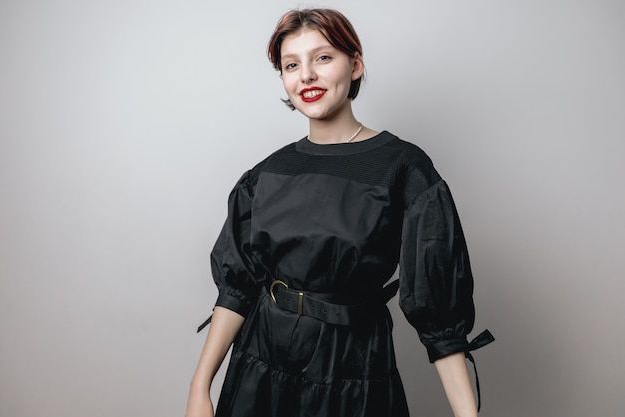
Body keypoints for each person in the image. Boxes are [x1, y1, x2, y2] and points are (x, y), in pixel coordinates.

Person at [185, 8, 493, 417]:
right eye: (291, 65)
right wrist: (199, 386)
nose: (306, 76)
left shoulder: (403, 168)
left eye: (323, 57)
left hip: (352, 373)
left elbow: (438, 309)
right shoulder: (266, 173)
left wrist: (467, 414)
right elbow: (236, 289)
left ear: (356, 63)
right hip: (259, 366)